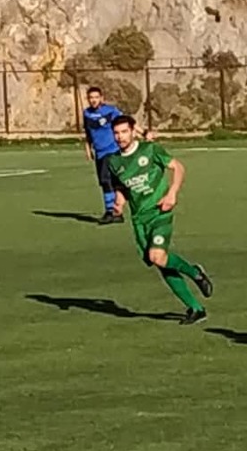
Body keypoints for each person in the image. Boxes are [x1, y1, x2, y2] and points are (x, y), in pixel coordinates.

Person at [108, 114, 213, 324]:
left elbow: (178, 167)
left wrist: (172, 193)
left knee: (157, 256)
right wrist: (119, 202)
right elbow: (121, 186)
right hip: (139, 219)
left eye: (124, 132)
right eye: (116, 133)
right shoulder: (113, 161)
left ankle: (194, 273)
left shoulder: (150, 149)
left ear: (133, 131)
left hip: (159, 212)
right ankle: (196, 308)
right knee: (161, 263)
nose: (120, 137)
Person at [81, 85, 124, 223]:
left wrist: (144, 133)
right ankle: (116, 213)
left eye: (96, 97)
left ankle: (111, 212)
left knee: (106, 179)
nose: (93, 100)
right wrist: (88, 148)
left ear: (101, 98)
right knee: (105, 182)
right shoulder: (87, 113)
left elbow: (126, 123)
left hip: (111, 150)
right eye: (91, 97)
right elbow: (88, 132)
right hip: (99, 152)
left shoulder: (110, 111)